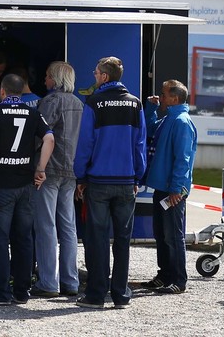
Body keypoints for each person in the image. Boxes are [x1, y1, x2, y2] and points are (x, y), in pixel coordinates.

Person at [73, 57, 146, 310]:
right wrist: (138, 175)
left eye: (95, 73)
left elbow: (85, 144)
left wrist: (80, 175)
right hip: (126, 181)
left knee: (97, 238)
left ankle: (95, 294)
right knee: (123, 240)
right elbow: (140, 143)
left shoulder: (93, 102)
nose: (94, 76)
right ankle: (121, 295)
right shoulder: (135, 103)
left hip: (99, 182)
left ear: (104, 77)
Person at [0, 74, 55, 305]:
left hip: (0, 185)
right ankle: (22, 291)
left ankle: (1, 293)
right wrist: (40, 168)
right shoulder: (34, 113)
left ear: (2, 91)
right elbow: (49, 139)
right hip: (25, 185)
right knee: (23, 239)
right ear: (21, 92)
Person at [31, 61, 83, 298]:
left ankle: (48, 282)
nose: (44, 80)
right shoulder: (79, 104)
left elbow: (40, 136)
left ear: (54, 79)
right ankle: (71, 281)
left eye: (47, 76)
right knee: (68, 227)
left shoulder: (50, 102)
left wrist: (37, 166)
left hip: (49, 170)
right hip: (71, 171)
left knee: (46, 226)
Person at [142, 79, 198, 295]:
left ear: (174, 98)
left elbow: (183, 159)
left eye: (163, 95)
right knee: (161, 233)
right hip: (163, 187)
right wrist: (151, 108)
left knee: (173, 235)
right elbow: (149, 130)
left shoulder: (182, 122)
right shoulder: (168, 119)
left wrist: (177, 189)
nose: (161, 97)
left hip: (172, 190)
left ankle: (178, 280)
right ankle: (164, 275)